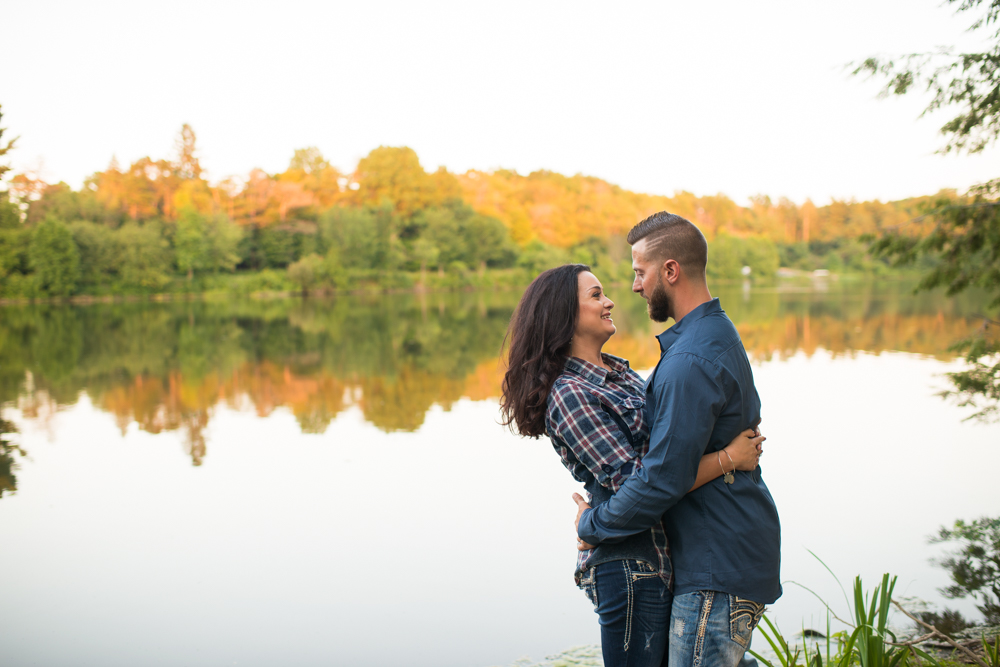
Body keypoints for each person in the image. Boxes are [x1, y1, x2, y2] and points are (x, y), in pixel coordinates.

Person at [499, 263, 764, 667]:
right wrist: (728, 458)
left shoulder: (622, 376)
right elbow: (644, 482)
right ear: (563, 315)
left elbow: (671, 453)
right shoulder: (570, 394)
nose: (609, 302)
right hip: (630, 567)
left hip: (670, 558)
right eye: (595, 295)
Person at [576, 212, 782, 667]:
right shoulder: (711, 333)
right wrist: (730, 456)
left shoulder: (690, 359)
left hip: (717, 563)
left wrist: (592, 525)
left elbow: (662, 479)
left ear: (670, 270)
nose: (634, 286)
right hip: (726, 553)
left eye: (639, 273)